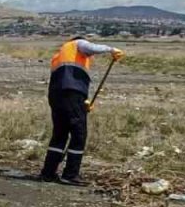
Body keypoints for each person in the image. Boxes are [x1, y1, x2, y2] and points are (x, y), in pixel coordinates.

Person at [38, 35, 124, 186]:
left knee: (60, 135)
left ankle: (48, 173)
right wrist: (111, 49)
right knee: (79, 133)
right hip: (71, 94)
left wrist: (83, 103)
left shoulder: (59, 55)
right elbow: (91, 48)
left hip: (57, 96)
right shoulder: (77, 44)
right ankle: (70, 175)